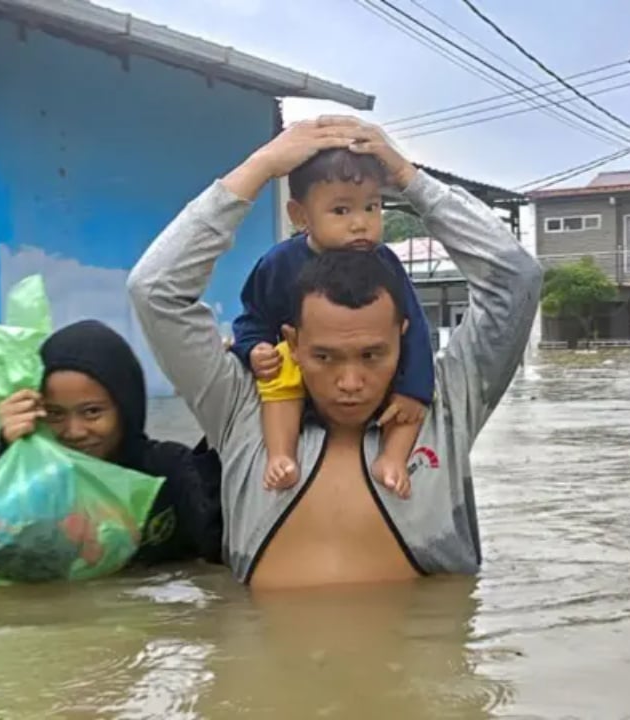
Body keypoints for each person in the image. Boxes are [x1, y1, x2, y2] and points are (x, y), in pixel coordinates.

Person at [126, 116, 543, 590]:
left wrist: (409, 180)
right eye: (325, 357)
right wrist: (260, 168)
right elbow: (154, 289)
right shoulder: (244, 411)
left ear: (404, 336)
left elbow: (517, 280)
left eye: (373, 355)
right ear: (294, 343)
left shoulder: (440, 409)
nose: (350, 383)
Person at [0, 320, 223, 577]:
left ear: (126, 408)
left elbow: (224, 543)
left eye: (92, 412)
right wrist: (3, 452)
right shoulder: (35, 483)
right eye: (56, 414)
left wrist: (222, 422)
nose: (74, 432)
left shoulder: (167, 472)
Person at [230, 148, 432, 498]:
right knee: (280, 372)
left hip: (376, 385)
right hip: (303, 371)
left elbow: (414, 329)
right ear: (299, 215)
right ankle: (282, 456)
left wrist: (415, 390)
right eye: (341, 210)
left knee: (409, 404)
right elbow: (254, 317)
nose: (360, 223)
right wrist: (253, 349)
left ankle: (393, 459)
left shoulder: (385, 263)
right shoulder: (279, 263)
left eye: (372, 207)